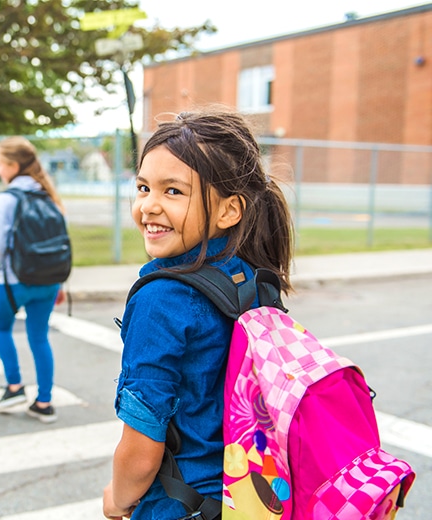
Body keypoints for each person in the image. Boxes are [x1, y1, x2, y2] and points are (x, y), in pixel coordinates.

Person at [102, 108, 294, 520]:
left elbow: (141, 448)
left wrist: (116, 499)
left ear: (229, 211)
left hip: (180, 505)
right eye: (142, 187)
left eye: (173, 191)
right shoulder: (249, 276)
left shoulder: (162, 300)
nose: (149, 206)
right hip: (247, 498)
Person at [0, 136, 67, 424]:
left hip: (13, 281)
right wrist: (60, 284)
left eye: (0, 165)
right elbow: (59, 242)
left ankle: (14, 386)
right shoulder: (49, 196)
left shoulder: (6, 200)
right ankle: (44, 402)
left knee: (0, 327)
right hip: (48, 281)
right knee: (39, 336)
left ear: (13, 165)